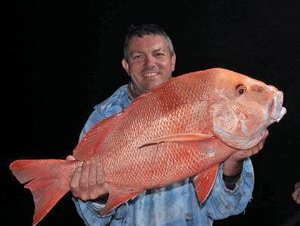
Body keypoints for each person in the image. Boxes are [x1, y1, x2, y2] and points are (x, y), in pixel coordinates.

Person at [67, 24, 268, 226]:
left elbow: (225, 208)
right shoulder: (103, 117)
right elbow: (94, 221)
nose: (149, 63)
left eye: (158, 54)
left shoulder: (208, 106)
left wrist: (233, 163)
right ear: (126, 66)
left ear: (172, 61)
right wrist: (100, 197)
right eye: (138, 56)